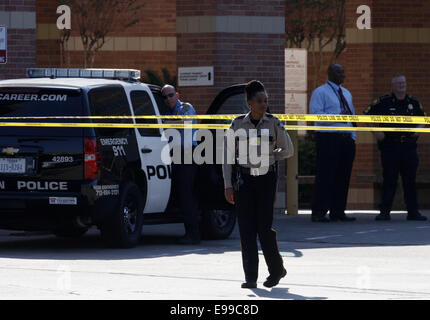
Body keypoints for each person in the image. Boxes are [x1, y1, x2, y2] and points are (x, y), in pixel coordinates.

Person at [222, 80, 294, 289]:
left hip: (266, 178)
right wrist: (228, 185)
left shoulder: (273, 123)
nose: (264, 105)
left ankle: (276, 270)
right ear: (249, 103)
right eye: (259, 101)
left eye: (266, 101)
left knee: (263, 227)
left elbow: (288, 150)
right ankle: (250, 277)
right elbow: (227, 156)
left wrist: (270, 155)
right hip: (243, 179)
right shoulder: (237, 124)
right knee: (246, 228)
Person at [364, 74, 427, 221]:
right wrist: (376, 132)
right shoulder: (383, 101)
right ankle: (385, 212)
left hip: (408, 146)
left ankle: (413, 212)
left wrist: (418, 130)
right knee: (389, 179)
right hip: (390, 146)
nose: (401, 86)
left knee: (410, 180)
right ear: (392, 86)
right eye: (398, 83)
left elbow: (423, 119)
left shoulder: (413, 102)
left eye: (403, 83)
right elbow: (366, 116)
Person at [309, 64, 357, 223]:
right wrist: (337, 116)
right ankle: (319, 212)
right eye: (338, 71)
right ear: (329, 73)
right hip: (329, 138)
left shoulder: (347, 93)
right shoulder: (320, 92)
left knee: (343, 176)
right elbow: (315, 115)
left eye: (343, 71)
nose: (342, 74)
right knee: (325, 175)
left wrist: (353, 137)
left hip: (346, 139)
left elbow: (352, 118)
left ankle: (338, 211)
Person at [161, 85, 201, 244]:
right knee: (181, 195)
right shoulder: (168, 113)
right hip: (174, 155)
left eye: (170, 95)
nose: (168, 99)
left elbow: (185, 123)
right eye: (165, 97)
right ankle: (191, 232)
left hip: (188, 154)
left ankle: (193, 235)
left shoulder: (186, 107)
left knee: (186, 195)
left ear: (177, 95)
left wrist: (166, 121)